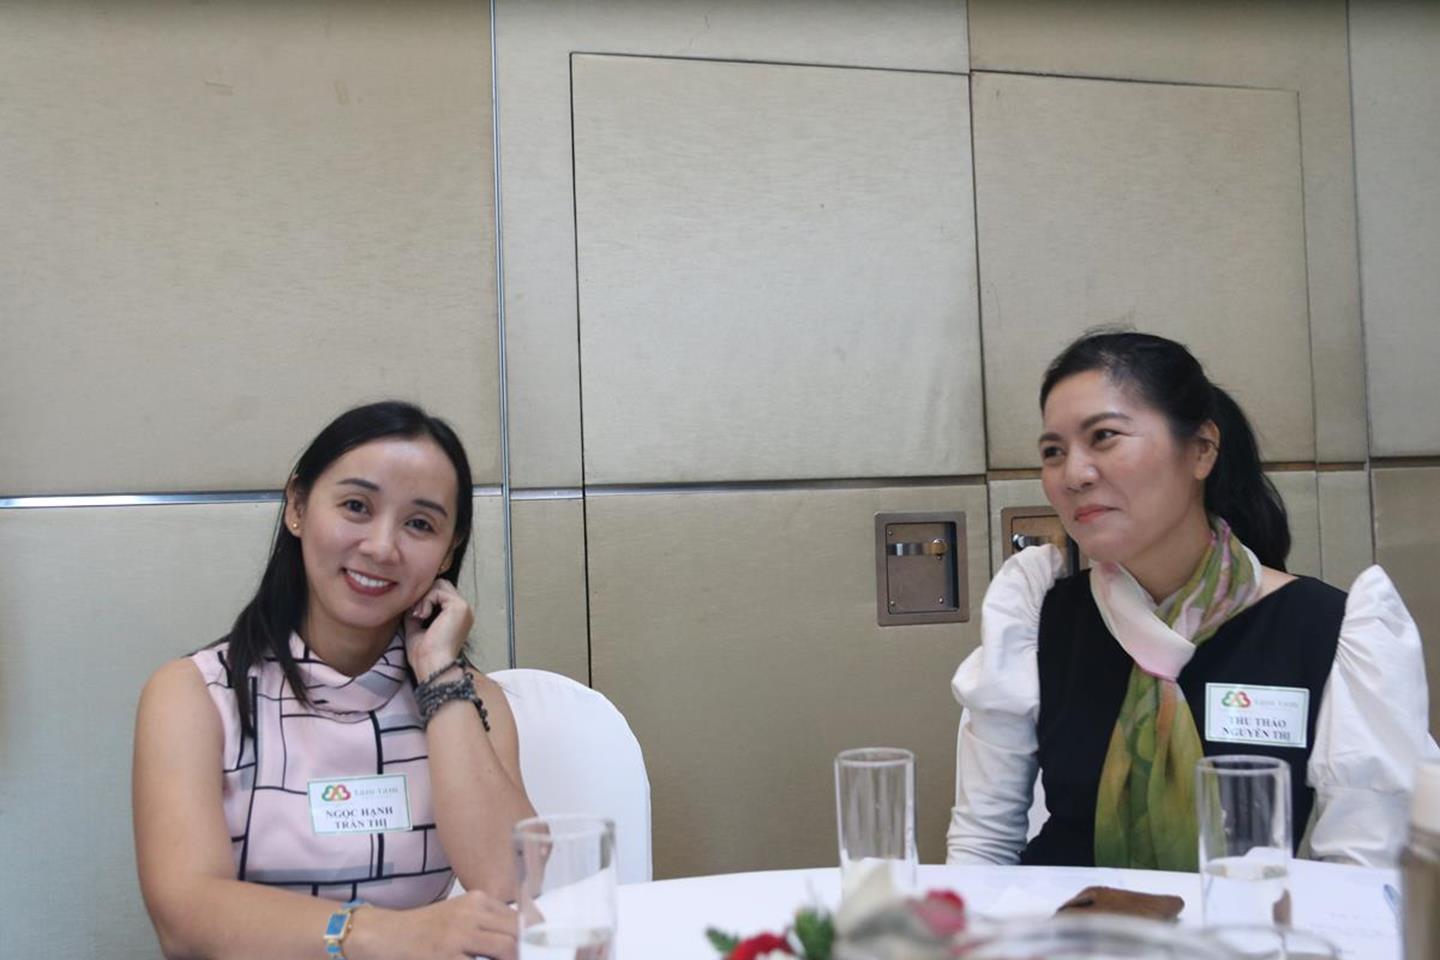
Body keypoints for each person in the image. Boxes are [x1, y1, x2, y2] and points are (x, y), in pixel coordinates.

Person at [947, 331, 1437, 870]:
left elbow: (1366, 873)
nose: (1074, 474)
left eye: (1104, 437)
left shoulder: (1331, 629)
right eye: (1053, 452)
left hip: (1243, 922)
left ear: (1201, 450)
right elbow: (983, 844)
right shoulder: (1039, 616)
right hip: (1061, 921)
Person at [133, 401, 536, 960]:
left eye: (420, 524)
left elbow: (513, 884)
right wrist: (381, 934)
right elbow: (185, 917)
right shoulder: (194, 695)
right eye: (356, 506)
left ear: (449, 549)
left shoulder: (468, 698)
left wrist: (440, 676)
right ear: (297, 507)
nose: (382, 547)